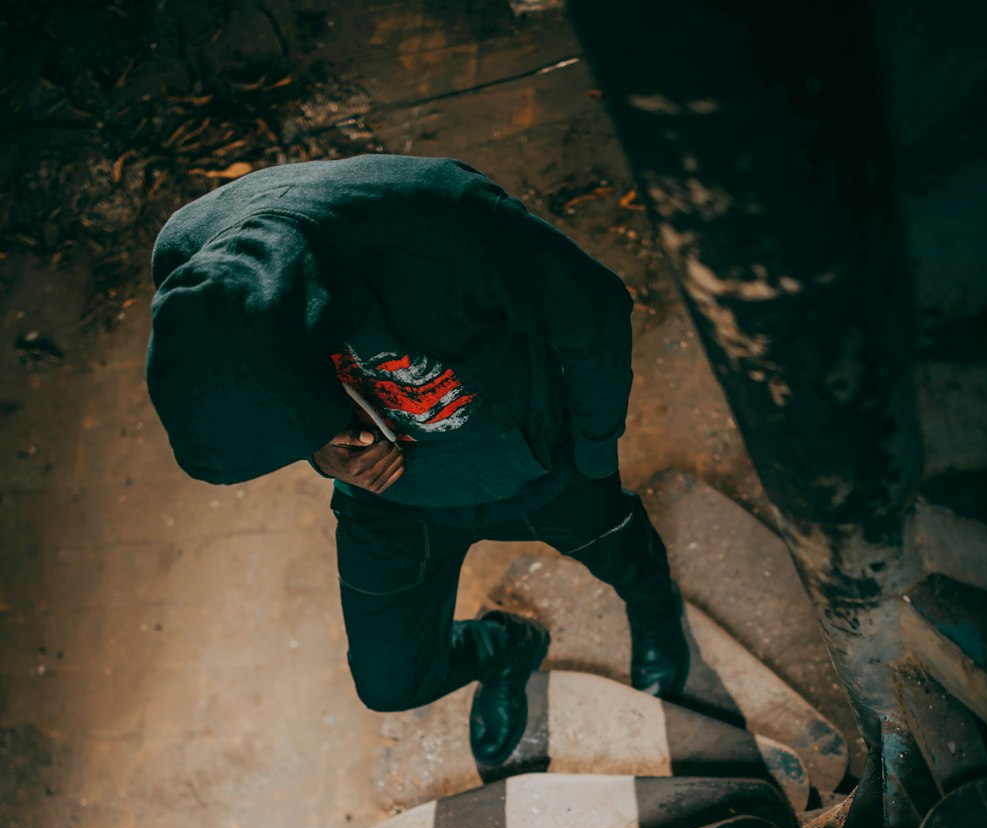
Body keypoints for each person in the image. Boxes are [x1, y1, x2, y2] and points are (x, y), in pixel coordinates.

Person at [146, 155, 689, 765]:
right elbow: (262, 393)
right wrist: (324, 452)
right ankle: (504, 647)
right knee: (390, 683)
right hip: (388, 495)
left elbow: (594, 309)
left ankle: (657, 612)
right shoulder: (190, 268)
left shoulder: (441, 216)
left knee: (620, 552)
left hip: (533, 459)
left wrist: (591, 455)